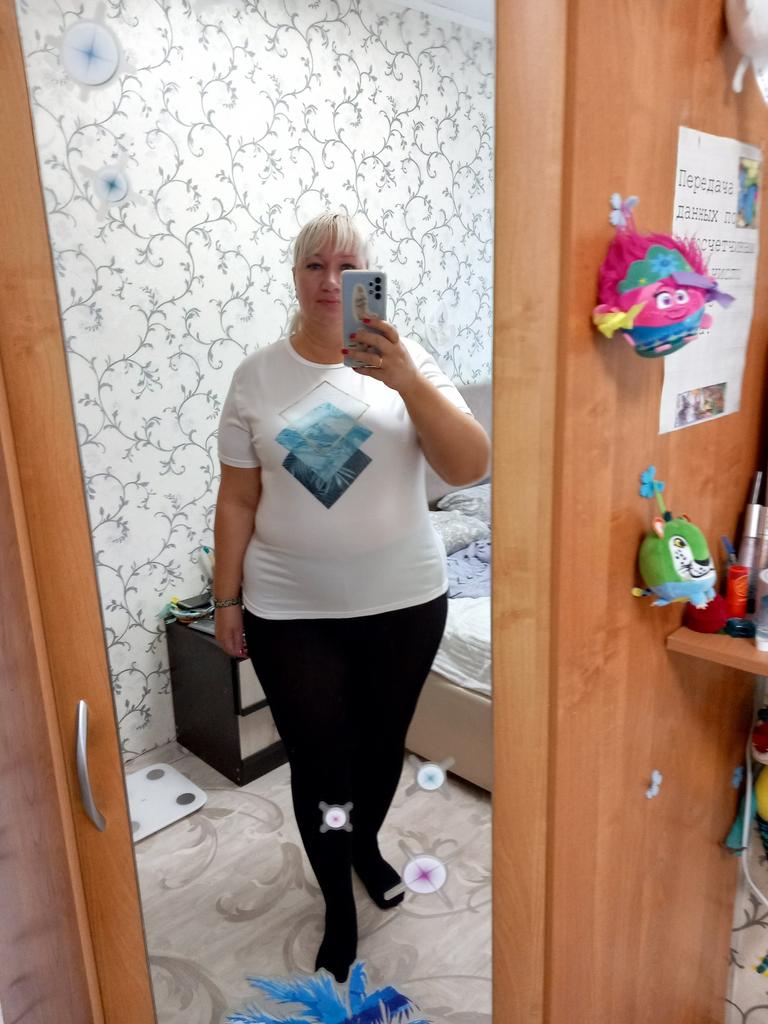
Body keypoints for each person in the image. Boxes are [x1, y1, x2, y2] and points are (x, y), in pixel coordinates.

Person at [213, 212, 490, 982]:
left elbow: (469, 466)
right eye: (314, 265)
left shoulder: (407, 361)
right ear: (295, 277)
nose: (331, 282)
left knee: (378, 749)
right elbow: (237, 499)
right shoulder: (257, 378)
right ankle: (337, 897)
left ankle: (363, 842)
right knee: (319, 761)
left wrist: (405, 381)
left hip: (404, 603)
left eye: (348, 266)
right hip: (290, 611)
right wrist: (226, 600)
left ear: (372, 277)